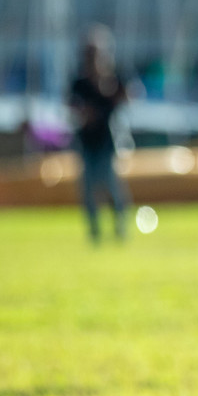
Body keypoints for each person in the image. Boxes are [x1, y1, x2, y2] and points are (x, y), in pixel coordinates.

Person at [67, 25, 131, 243]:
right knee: (88, 189)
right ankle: (94, 232)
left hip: (107, 141)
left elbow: (128, 97)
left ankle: (120, 227)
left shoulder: (113, 77)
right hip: (87, 142)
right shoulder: (80, 83)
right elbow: (72, 108)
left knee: (111, 185)